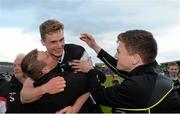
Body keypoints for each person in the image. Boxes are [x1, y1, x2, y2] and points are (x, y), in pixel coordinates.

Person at [71, 30, 180, 113]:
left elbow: (99, 96)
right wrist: (94, 46)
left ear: (135, 58)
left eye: (118, 51)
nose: (115, 55)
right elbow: (119, 68)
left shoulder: (137, 86)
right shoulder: (153, 75)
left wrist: (90, 70)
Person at [20, 19, 95, 113]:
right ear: (43, 42)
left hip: (85, 108)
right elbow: (24, 96)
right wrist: (45, 88)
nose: (59, 45)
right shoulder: (40, 63)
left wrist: (75, 108)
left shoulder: (77, 51)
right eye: (53, 42)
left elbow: (93, 81)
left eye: (61, 39)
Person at [20, 49, 90, 113]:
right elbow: (90, 81)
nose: (50, 54)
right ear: (45, 69)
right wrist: (88, 66)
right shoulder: (61, 81)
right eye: (47, 56)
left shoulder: (35, 81)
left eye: (46, 52)